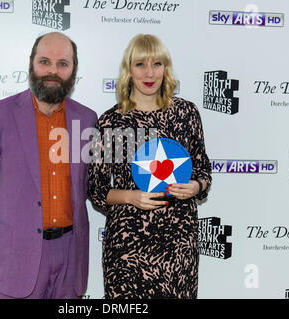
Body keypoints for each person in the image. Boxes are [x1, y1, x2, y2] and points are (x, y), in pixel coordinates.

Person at [0, 32, 98, 299]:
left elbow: (88, 183)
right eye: (45, 61)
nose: (53, 71)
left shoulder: (87, 119)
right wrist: (5, 228)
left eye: (63, 63)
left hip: (70, 256)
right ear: (31, 63)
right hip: (15, 253)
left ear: (73, 70)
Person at [87, 34, 212, 299]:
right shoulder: (110, 122)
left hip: (178, 243)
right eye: (140, 64)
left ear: (165, 68)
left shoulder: (186, 113)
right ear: (128, 70)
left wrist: (195, 186)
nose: (149, 73)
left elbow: (203, 172)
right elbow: (96, 190)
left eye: (157, 63)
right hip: (128, 247)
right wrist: (132, 197)